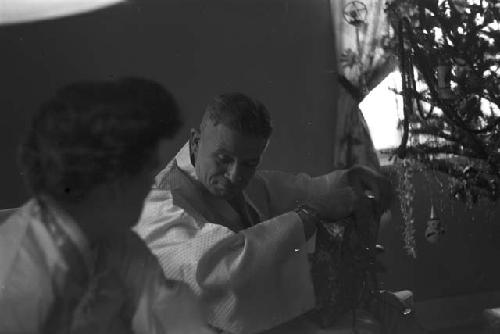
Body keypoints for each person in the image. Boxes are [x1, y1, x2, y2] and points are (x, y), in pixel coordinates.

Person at [135, 92, 397, 334]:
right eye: (223, 159)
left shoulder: (246, 185)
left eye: (250, 163)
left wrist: (352, 178)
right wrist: (312, 213)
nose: (235, 176)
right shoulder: (159, 203)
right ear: (195, 142)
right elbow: (218, 271)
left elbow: (300, 189)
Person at [0, 78, 215, 334]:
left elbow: (178, 322)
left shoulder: (116, 245)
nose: (151, 184)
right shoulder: (20, 279)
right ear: (109, 179)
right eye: (146, 170)